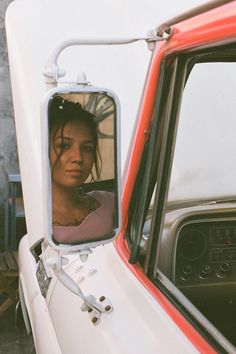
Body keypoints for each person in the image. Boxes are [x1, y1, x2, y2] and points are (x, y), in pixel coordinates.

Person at [49, 95, 115, 244]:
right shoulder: (38, 221)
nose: (78, 157)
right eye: (64, 146)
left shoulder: (109, 203)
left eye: (87, 148)